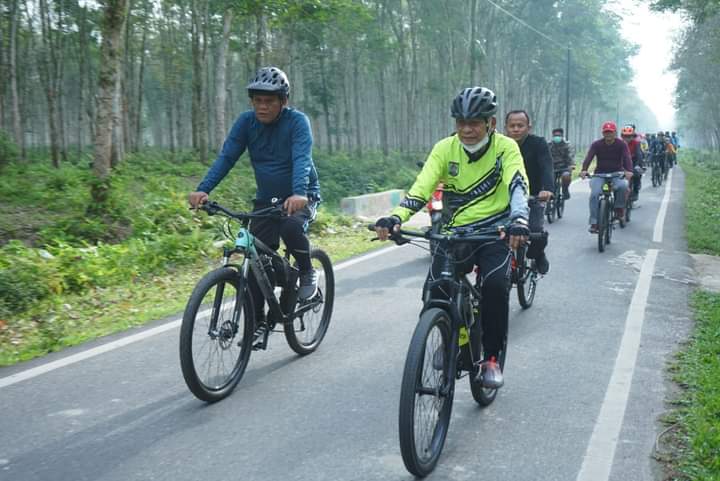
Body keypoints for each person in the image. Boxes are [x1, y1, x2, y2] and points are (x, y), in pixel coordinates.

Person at [375, 86, 530, 389]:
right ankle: (445, 338)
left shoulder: (506, 148)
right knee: (436, 288)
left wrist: (519, 219)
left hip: (493, 232)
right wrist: (396, 218)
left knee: (496, 287)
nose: (467, 129)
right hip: (453, 232)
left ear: (491, 123)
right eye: (461, 122)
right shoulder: (445, 148)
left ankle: (492, 358)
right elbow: (420, 189)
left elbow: (517, 184)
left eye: (474, 122)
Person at [188, 66, 321, 329]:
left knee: (292, 227)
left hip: (301, 195)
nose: (262, 107)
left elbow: (301, 159)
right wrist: (204, 188)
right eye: (257, 101)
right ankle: (258, 322)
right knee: (258, 258)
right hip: (266, 200)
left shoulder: (297, 122)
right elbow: (226, 157)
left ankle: (306, 271)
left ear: (283, 101)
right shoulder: (246, 123)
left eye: (269, 101)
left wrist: (298, 193)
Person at [505, 110, 553, 275]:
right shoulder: (499, 145)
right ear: (506, 128)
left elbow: (546, 166)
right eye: (512, 126)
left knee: (535, 232)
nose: (516, 129)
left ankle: (538, 255)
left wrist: (547, 189)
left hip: (532, 196)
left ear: (529, 127)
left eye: (520, 125)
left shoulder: (538, 143)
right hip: (503, 197)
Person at [580, 121, 633, 233]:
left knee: (623, 185)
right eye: (606, 132)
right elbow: (589, 157)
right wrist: (584, 170)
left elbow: (627, 158)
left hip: (616, 174)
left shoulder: (621, 144)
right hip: (600, 174)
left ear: (615, 133)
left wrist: (629, 171)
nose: (608, 134)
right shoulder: (597, 144)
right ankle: (594, 222)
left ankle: (619, 208)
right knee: (594, 194)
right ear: (603, 133)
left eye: (610, 132)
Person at [548, 127, 575, 200]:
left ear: (562, 136)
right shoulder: (548, 145)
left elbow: (571, 156)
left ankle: (565, 190)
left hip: (564, 167)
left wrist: (571, 165)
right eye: (555, 136)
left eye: (559, 136)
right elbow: (544, 156)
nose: (557, 137)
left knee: (566, 176)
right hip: (552, 167)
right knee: (548, 180)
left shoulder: (567, 145)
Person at [620, 125, 645, 202]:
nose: (627, 138)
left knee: (637, 174)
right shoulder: (619, 143)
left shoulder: (636, 143)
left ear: (632, 136)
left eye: (629, 136)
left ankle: (636, 191)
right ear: (622, 136)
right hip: (622, 163)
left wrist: (638, 165)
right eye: (625, 136)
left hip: (633, 162)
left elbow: (639, 155)